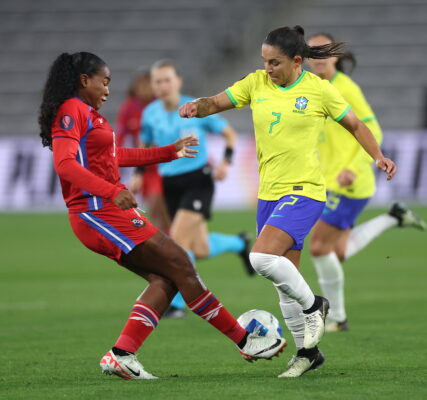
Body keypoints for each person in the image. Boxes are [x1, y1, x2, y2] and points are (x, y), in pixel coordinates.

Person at [38, 52, 286, 380]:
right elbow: (65, 165)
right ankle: (245, 341)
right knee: (180, 262)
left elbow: (114, 156)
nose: (108, 90)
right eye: (104, 82)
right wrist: (112, 191)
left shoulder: (90, 114)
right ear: (85, 80)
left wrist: (168, 152)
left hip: (109, 210)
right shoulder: (71, 110)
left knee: (167, 278)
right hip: (96, 212)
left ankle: (122, 355)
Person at [179, 25, 397, 378]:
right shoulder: (255, 84)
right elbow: (217, 102)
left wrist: (377, 156)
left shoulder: (319, 90)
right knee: (284, 282)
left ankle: (316, 305)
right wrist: (195, 107)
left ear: (297, 61)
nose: (268, 69)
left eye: (275, 63)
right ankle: (308, 353)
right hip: (269, 194)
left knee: (260, 257)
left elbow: (356, 125)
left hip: (306, 190)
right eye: (264, 61)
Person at [306, 33, 427, 333]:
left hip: (349, 182)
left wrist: (354, 166)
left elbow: (372, 128)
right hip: (327, 180)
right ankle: (392, 217)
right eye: (313, 51)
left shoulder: (346, 88)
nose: (319, 56)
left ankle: (337, 317)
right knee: (338, 252)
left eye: (325, 50)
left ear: (336, 55)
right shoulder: (311, 88)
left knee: (320, 248)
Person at [134, 59, 254, 318]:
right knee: (199, 248)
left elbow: (230, 134)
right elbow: (144, 146)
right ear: (152, 86)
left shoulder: (194, 107)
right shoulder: (150, 114)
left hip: (199, 180)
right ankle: (239, 243)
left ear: (178, 81)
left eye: (167, 80)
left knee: (176, 240)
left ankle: (177, 304)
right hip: (170, 185)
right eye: (158, 81)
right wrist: (139, 173)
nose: (163, 85)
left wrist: (225, 162)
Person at [116, 68, 170, 233]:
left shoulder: (160, 106)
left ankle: (166, 247)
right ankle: (169, 245)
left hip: (162, 166)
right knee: (158, 213)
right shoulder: (129, 107)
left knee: (158, 209)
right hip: (143, 166)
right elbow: (120, 136)